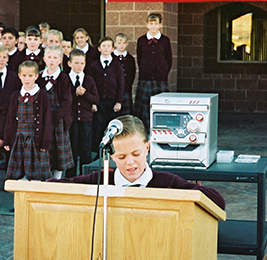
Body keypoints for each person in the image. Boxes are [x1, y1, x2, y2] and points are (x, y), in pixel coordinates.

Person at [48, 115, 225, 210]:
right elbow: (52, 187)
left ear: (147, 148)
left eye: (136, 153)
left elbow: (217, 201)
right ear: (110, 155)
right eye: (121, 157)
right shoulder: (100, 179)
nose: (130, 163)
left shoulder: (167, 182)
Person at [4, 60, 52, 180]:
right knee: (18, 171)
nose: (27, 79)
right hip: (19, 138)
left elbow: (47, 119)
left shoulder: (42, 95)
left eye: (30, 76)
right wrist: (7, 139)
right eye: (24, 75)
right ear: (19, 76)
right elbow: (10, 118)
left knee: (36, 173)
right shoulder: (16, 95)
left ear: (36, 76)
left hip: (35, 139)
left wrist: (45, 141)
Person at [36, 45, 74, 179]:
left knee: (58, 153)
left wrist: (52, 118)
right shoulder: (39, 77)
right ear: (45, 59)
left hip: (58, 121)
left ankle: (57, 179)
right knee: (45, 150)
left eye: (55, 57)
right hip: (41, 120)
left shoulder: (64, 78)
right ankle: (44, 179)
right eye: (49, 57)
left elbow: (66, 102)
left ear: (61, 60)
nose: (52, 60)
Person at [134, 13, 172, 133]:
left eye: (156, 24)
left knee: (160, 106)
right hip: (145, 79)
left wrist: (163, 72)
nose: (153, 26)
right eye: (151, 24)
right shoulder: (141, 40)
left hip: (160, 79)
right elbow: (139, 58)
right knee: (144, 106)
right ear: (147, 25)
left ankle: (160, 130)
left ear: (160, 25)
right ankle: (145, 131)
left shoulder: (165, 40)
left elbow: (169, 59)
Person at [65, 49, 99, 177]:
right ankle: (70, 177)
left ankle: (85, 177)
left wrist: (84, 94)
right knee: (72, 149)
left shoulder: (89, 80)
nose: (79, 66)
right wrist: (75, 93)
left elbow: (95, 99)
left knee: (86, 149)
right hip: (71, 120)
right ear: (69, 64)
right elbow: (64, 99)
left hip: (86, 120)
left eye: (82, 63)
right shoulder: (66, 79)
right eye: (76, 63)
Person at [89, 36, 124, 153]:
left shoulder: (116, 65)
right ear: (99, 48)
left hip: (112, 102)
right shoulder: (94, 65)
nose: (106, 48)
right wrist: (93, 102)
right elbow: (91, 84)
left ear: (113, 49)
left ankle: (113, 151)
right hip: (99, 102)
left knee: (112, 127)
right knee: (99, 126)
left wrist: (119, 101)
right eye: (103, 46)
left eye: (109, 46)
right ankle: (98, 152)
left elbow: (121, 83)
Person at [0, 45, 21, 170]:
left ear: (8, 59)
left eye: (4, 57)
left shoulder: (13, 77)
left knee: (9, 154)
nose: (1, 60)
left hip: (9, 119)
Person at [112, 33, 136, 115]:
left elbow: (132, 74)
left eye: (124, 43)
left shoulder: (130, 59)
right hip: (113, 92)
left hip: (126, 91)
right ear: (115, 44)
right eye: (119, 43)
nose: (121, 45)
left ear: (127, 44)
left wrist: (127, 87)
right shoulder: (111, 57)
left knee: (127, 116)